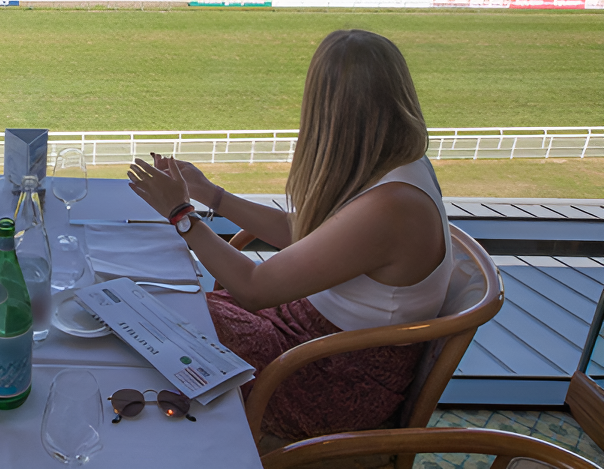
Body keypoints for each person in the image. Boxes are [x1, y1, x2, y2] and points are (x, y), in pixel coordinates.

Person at [128, 29, 450, 442]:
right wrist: (212, 194)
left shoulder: (394, 206)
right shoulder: (396, 163)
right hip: (305, 335)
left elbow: (254, 288)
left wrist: (181, 213)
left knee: (156, 318)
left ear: (331, 110)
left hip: (328, 375)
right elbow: (313, 234)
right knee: (158, 309)